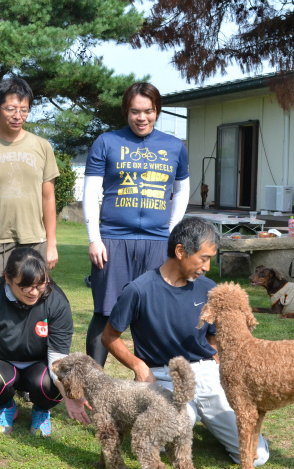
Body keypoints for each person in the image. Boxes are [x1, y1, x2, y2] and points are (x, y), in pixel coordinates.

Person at [101, 216, 269, 466]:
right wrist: (139, 366)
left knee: (257, 457)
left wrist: (214, 361)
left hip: (205, 374)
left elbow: (213, 334)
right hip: (163, 377)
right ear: (180, 251)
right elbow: (109, 337)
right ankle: (186, 417)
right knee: (175, 428)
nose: (207, 267)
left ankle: (209, 417)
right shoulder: (138, 290)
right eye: (204, 258)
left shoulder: (209, 289)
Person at [83, 82, 191, 367]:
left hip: (157, 243)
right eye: (135, 112)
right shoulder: (106, 142)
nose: (141, 118)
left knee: (154, 315)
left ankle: (152, 386)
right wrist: (94, 238)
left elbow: (181, 191)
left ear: (157, 111)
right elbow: (91, 193)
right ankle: (91, 387)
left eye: (148, 111)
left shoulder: (174, 146)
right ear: (126, 112)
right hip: (112, 241)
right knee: (105, 314)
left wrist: (171, 231)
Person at [0, 248, 91, 437]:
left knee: (54, 382)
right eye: (26, 286)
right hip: (1, 361)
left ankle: (41, 410)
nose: (34, 292)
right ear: (7, 278)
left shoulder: (57, 301)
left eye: (40, 285)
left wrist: (68, 394)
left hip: (40, 364)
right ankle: (5, 406)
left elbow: (58, 358)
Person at [0, 77, 60, 288]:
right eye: (11, 109)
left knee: (33, 303)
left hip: (34, 241)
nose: (18, 116)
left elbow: (48, 197)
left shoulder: (43, 147)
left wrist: (51, 244)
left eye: (24, 110)